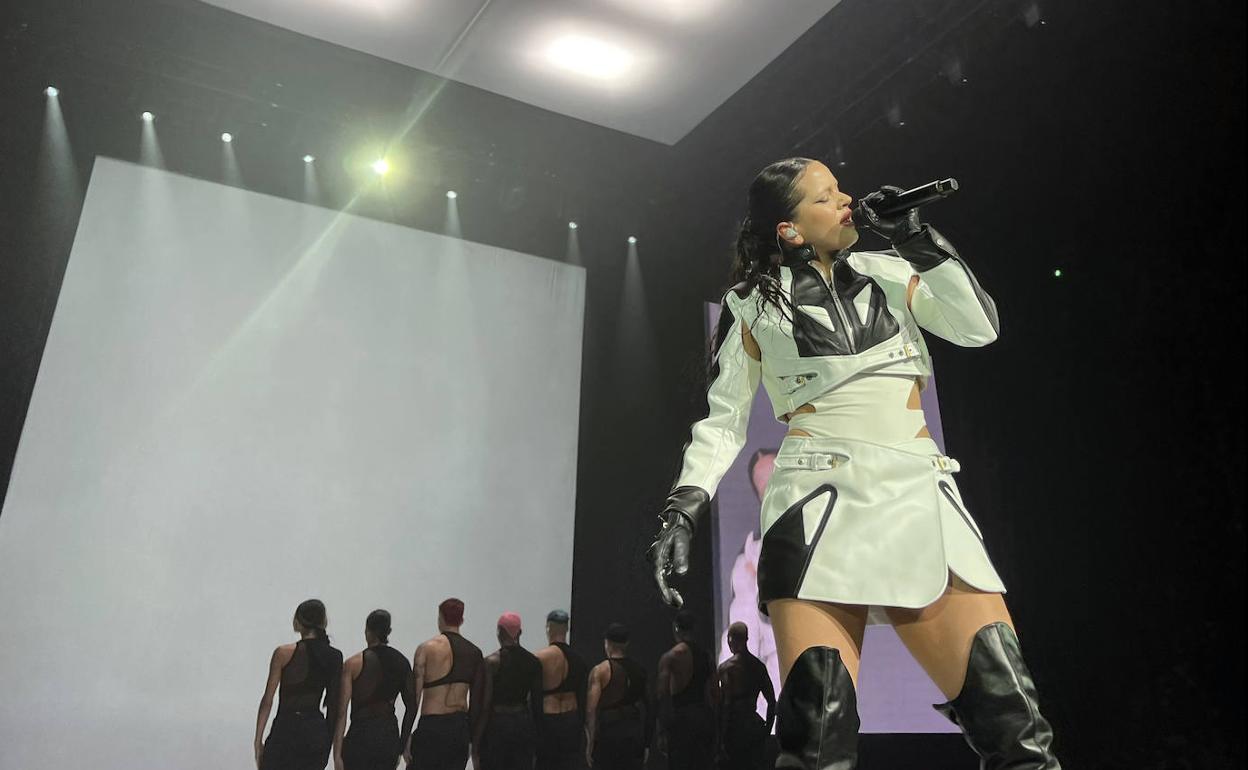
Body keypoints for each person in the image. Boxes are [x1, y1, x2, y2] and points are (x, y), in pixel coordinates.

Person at [648, 158, 1061, 768]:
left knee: (1016, 729)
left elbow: (979, 329)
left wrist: (917, 239)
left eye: (842, 190)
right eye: (827, 197)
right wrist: (682, 508)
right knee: (817, 740)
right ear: (789, 229)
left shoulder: (891, 271)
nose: (849, 202)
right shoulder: (751, 306)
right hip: (819, 505)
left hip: (920, 493)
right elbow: (721, 421)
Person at [254, 599, 344, 770]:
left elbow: (267, 699)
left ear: (298, 622)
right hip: (314, 731)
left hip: (285, 729)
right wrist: (329, 747)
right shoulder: (334, 656)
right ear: (323, 622)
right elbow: (335, 707)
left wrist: (258, 740)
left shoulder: (283, 653)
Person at [404, 597, 485, 769]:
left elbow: (414, 700)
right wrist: (472, 740)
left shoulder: (426, 649)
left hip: (431, 725)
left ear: (440, 618)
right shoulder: (474, 653)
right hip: (459, 728)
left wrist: (405, 737)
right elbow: (477, 703)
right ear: (462, 620)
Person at [332, 609, 415, 770]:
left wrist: (337, 754)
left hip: (360, 735)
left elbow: (341, 712)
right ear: (388, 631)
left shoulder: (353, 664)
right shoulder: (402, 662)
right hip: (388, 735)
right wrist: (402, 743)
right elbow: (411, 707)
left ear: (367, 631)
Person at [477, 612, 543, 770]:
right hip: (522, 723)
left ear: (499, 631)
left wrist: (476, 739)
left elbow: (485, 704)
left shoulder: (492, 662)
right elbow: (536, 703)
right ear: (520, 632)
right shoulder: (533, 662)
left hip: (497, 724)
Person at [585, 623, 651, 770]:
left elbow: (591, 710)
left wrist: (590, 742)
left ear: (607, 643)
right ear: (627, 643)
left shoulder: (600, 671)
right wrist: (647, 742)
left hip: (608, 734)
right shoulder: (640, 671)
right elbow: (650, 707)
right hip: (633, 734)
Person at [656, 610, 714, 769]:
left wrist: (661, 730)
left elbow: (663, 694)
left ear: (676, 628)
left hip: (680, 721)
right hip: (702, 719)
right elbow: (714, 693)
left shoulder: (671, 657)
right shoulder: (707, 656)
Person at [715, 623, 775, 770]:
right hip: (753, 728)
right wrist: (767, 730)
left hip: (731, 730)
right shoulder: (758, 667)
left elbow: (723, 705)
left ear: (731, 640)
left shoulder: (725, 669)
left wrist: (719, 737)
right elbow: (772, 701)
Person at [534, 609, 589, 770]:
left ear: (548, 628)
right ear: (566, 629)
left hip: (548, 721)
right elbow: (582, 697)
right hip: (571, 719)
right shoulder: (579, 660)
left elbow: (535, 698)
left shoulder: (540, 658)